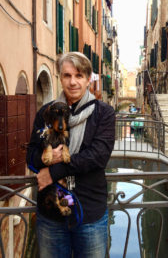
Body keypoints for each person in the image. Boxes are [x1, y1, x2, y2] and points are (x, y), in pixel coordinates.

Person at [26, 52, 115, 258]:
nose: (73, 82)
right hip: (51, 215)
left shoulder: (104, 113)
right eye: (67, 75)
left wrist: (53, 172)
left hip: (89, 214)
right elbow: (30, 154)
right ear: (60, 78)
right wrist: (50, 157)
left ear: (88, 78)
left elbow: (97, 156)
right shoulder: (46, 112)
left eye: (79, 76)